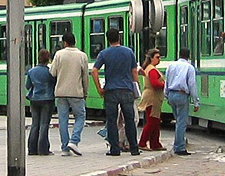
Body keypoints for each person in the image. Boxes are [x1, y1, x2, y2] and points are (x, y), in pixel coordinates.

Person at [91, 28, 140, 156]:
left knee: (112, 120)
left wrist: (99, 88)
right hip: (126, 89)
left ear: (107, 39)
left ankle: (114, 149)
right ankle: (134, 148)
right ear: (119, 37)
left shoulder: (104, 53)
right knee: (129, 120)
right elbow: (134, 71)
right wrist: (136, 87)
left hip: (111, 90)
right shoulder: (129, 52)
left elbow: (94, 70)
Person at [49, 32, 89, 156]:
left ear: (64, 43)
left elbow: (52, 72)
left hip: (60, 92)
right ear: (74, 42)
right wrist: (85, 92)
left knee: (63, 120)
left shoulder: (59, 54)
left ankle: (65, 148)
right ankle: (74, 140)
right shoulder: (82, 56)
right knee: (80, 117)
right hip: (76, 92)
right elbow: (85, 77)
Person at [165, 49, 200, 156]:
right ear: (188, 56)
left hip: (171, 94)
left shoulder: (171, 66)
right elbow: (192, 85)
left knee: (178, 121)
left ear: (179, 55)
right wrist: (196, 102)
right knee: (181, 122)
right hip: (181, 95)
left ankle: (178, 144)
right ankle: (179, 147)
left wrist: (167, 96)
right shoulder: (189, 67)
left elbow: (166, 81)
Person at [26, 49, 56, 156]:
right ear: (48, 59)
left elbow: (28, 86)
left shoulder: (31, 71)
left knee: (35, 124)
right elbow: (54, 84)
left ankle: (32, 148)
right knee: (44, 124)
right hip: (47, 100)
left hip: (34, 99)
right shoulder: (50, 72)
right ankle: (43, 149)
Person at [138, 49, 166, 151]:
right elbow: (154, 83)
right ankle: (142, 142)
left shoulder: (149, 68)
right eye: (157, 57)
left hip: (153, 97)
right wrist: (164, 85)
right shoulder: (152, 70)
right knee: (152, 120)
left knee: (156, 120)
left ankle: (155, 143)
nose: (159, 60)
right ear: (151, 58)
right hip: (152, 97)